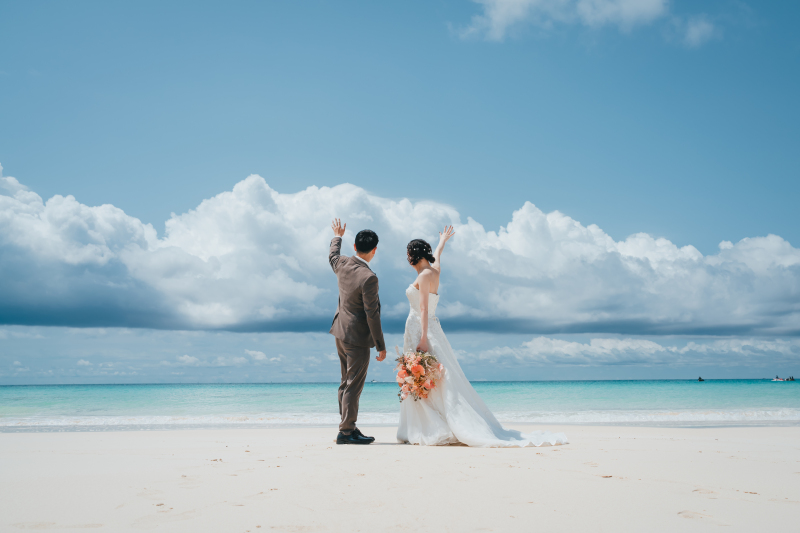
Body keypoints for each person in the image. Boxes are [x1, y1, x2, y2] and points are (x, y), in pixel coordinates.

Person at [396, 226, 568, 447]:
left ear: (413, 256)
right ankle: (428, 423)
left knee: (426, 375)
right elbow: (437, 256)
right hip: (430, 328)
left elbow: (423, 309)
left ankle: (429, 426)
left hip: (422, 329)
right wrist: (442, 242)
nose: (407, 260)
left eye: (408, 255)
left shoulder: (424, 275)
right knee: (434, 375)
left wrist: (422, 338)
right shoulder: (434, 270)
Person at [328, 219, 387, 445]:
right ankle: (345, 432)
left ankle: (348, 425)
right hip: (357, 338)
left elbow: (332, 254)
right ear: (374, 250)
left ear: (354, 246)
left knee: (346, 382)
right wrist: (380, 345)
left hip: (340, 332)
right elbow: (372, 314)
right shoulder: (369, 277)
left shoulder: (342, 263)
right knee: (353, 385)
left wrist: (337, 236)